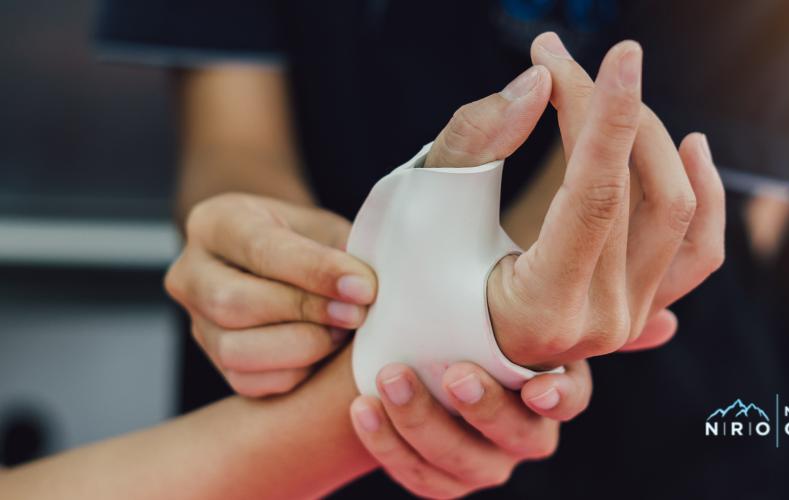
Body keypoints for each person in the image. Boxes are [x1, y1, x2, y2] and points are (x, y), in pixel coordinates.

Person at [97, 1, 789, 497]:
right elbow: (230, 142)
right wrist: (265, 257)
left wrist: (452, 323)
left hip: (629, 424)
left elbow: (637, 158)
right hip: (292, 382)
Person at [2, 40, 723, 497]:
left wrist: (454, 323)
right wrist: (458, 327)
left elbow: (666, 156)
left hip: (643, 427)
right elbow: (230, 137)